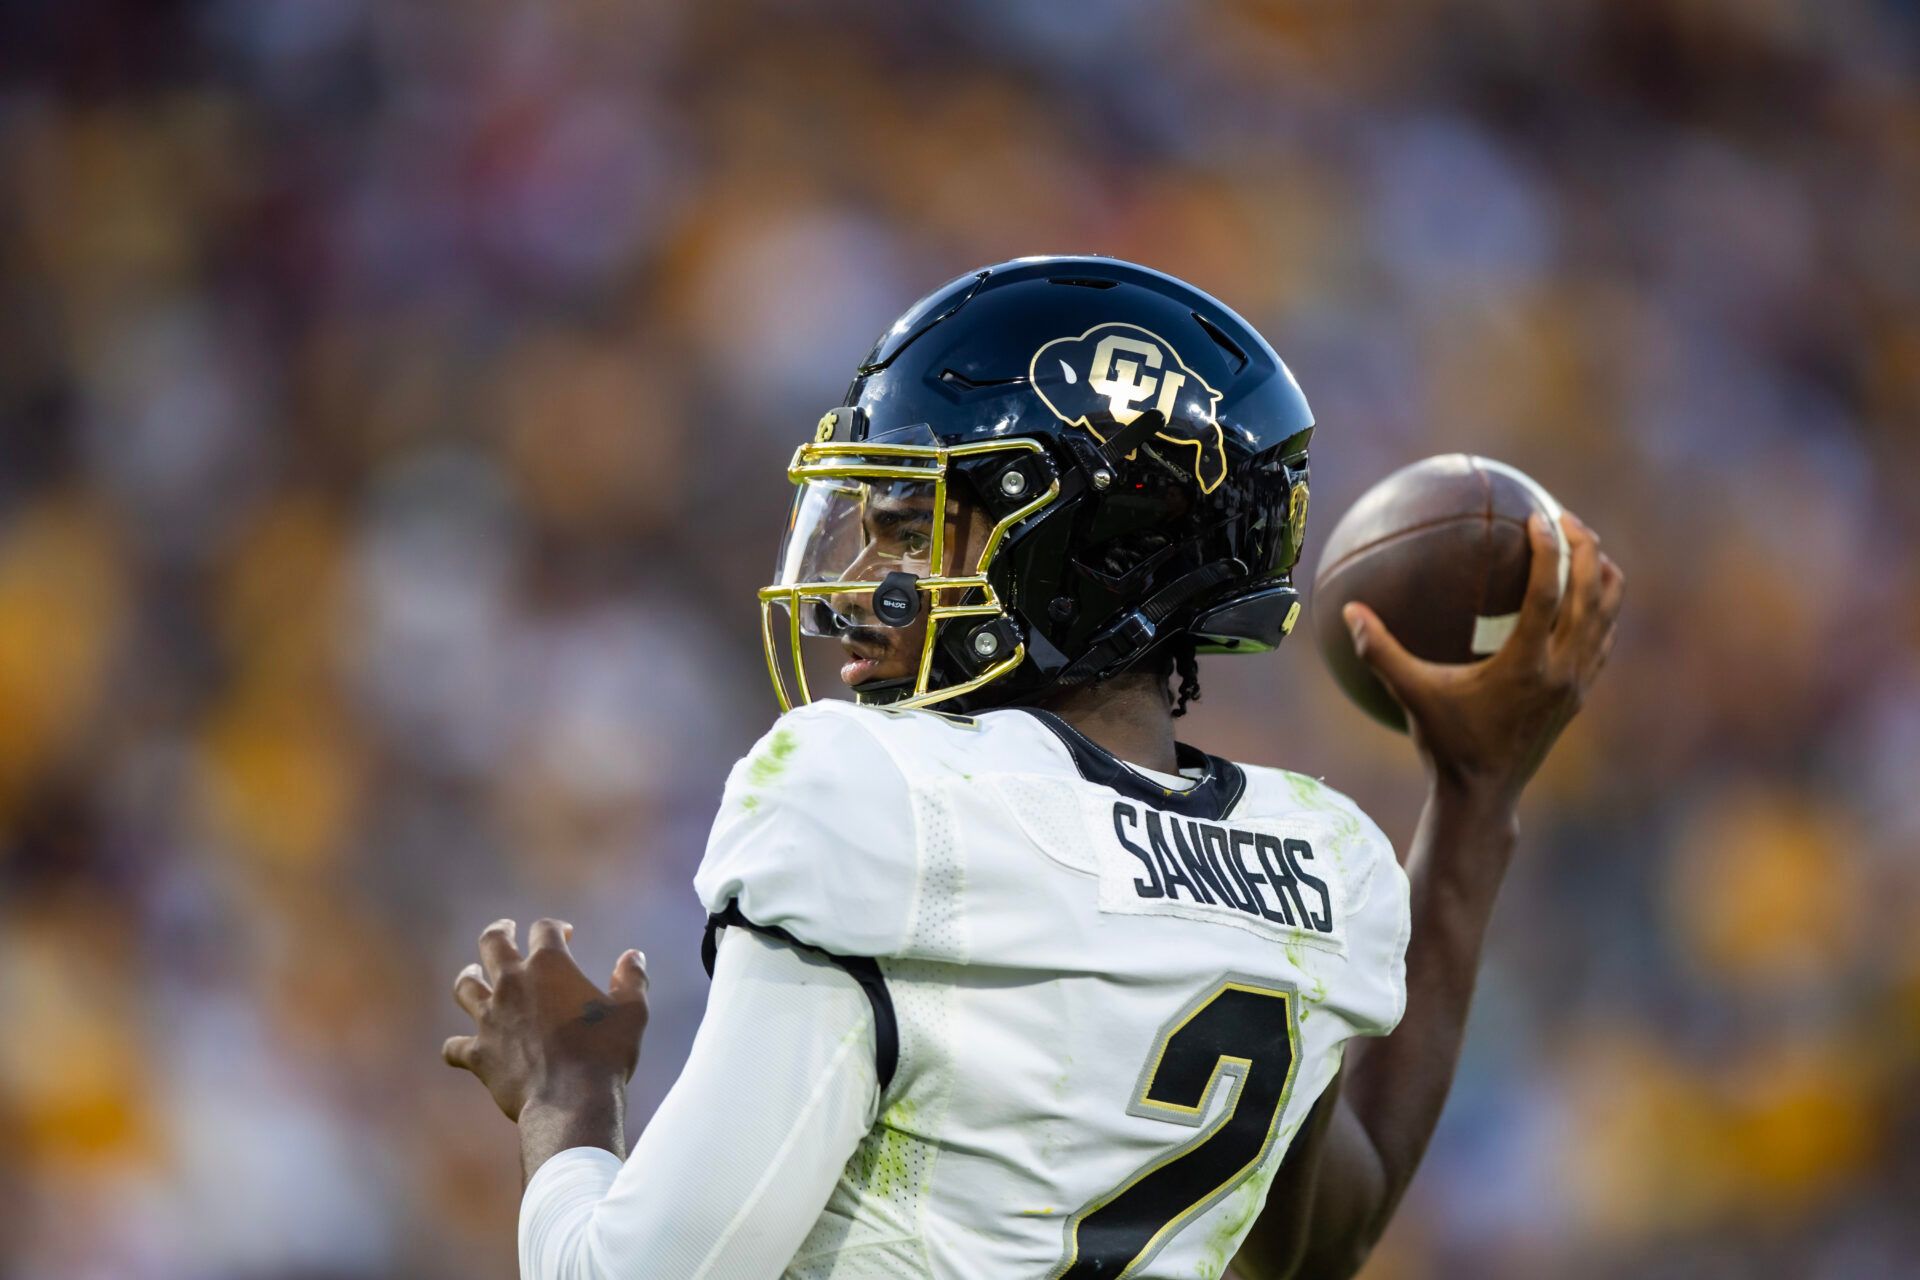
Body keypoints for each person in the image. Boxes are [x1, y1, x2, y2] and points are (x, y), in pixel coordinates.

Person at [441, 256, 1624, 1279]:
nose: (862, 582)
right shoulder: (1311, 862)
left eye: (911, 527)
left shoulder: (879, 797)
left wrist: (568, 1097)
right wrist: (1473, 797)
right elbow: (1317, 1236)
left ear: (1080, 550)